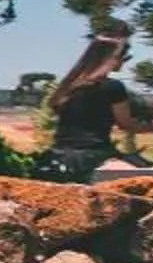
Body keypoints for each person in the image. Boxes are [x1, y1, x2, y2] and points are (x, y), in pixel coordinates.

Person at [45, 27, 145, 179]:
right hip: (95, 154)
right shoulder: (113, 87)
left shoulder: (68, 87)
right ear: (112, 58)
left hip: (59, 154)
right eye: (122, 57)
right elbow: (126, 124)